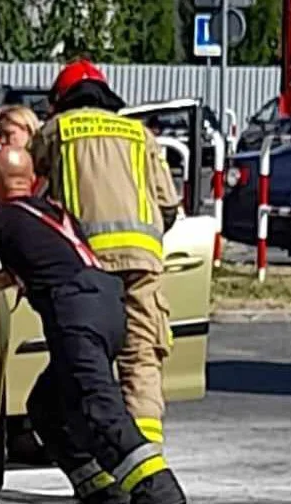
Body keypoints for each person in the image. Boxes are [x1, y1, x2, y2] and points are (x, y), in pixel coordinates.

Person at [0, 146, 187, 504]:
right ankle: (99, 489)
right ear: (31, 182)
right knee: (47, 404)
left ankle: (161, 493)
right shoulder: (56, 213)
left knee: (100, 407)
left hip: (75, 313)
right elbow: (46, 262)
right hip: (108, 303)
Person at [30, 58, 183, 497]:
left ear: (61, 100)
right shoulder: (140, 135)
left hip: (87, 270)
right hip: (142, 264)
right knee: (140, 364)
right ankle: (149, 475)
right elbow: (168, 206)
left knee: (82, 372)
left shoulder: (56, 131)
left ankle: (113, 479)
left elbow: (36, 189)